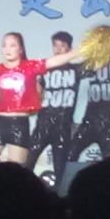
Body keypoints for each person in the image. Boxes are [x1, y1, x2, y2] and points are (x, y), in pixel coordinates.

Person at [0, 32, 79, 168]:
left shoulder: (30, 67)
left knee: (16, 171)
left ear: (20, 49)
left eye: (12, 45)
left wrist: (79, 51)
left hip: (19, 124)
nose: (7, 49)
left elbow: (52, 62)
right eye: (4, 45)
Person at [28, 31, 79, 187]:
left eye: (62, 46)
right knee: (28, 162)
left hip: (63, 126)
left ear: (69, 49)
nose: (58, 49)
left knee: (60, 169)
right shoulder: (44, 70)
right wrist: (36, 84)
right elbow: (37, 96)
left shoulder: (77, 69)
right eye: (55, 45)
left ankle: (59, 197)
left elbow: (96, 65)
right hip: (43, 124)